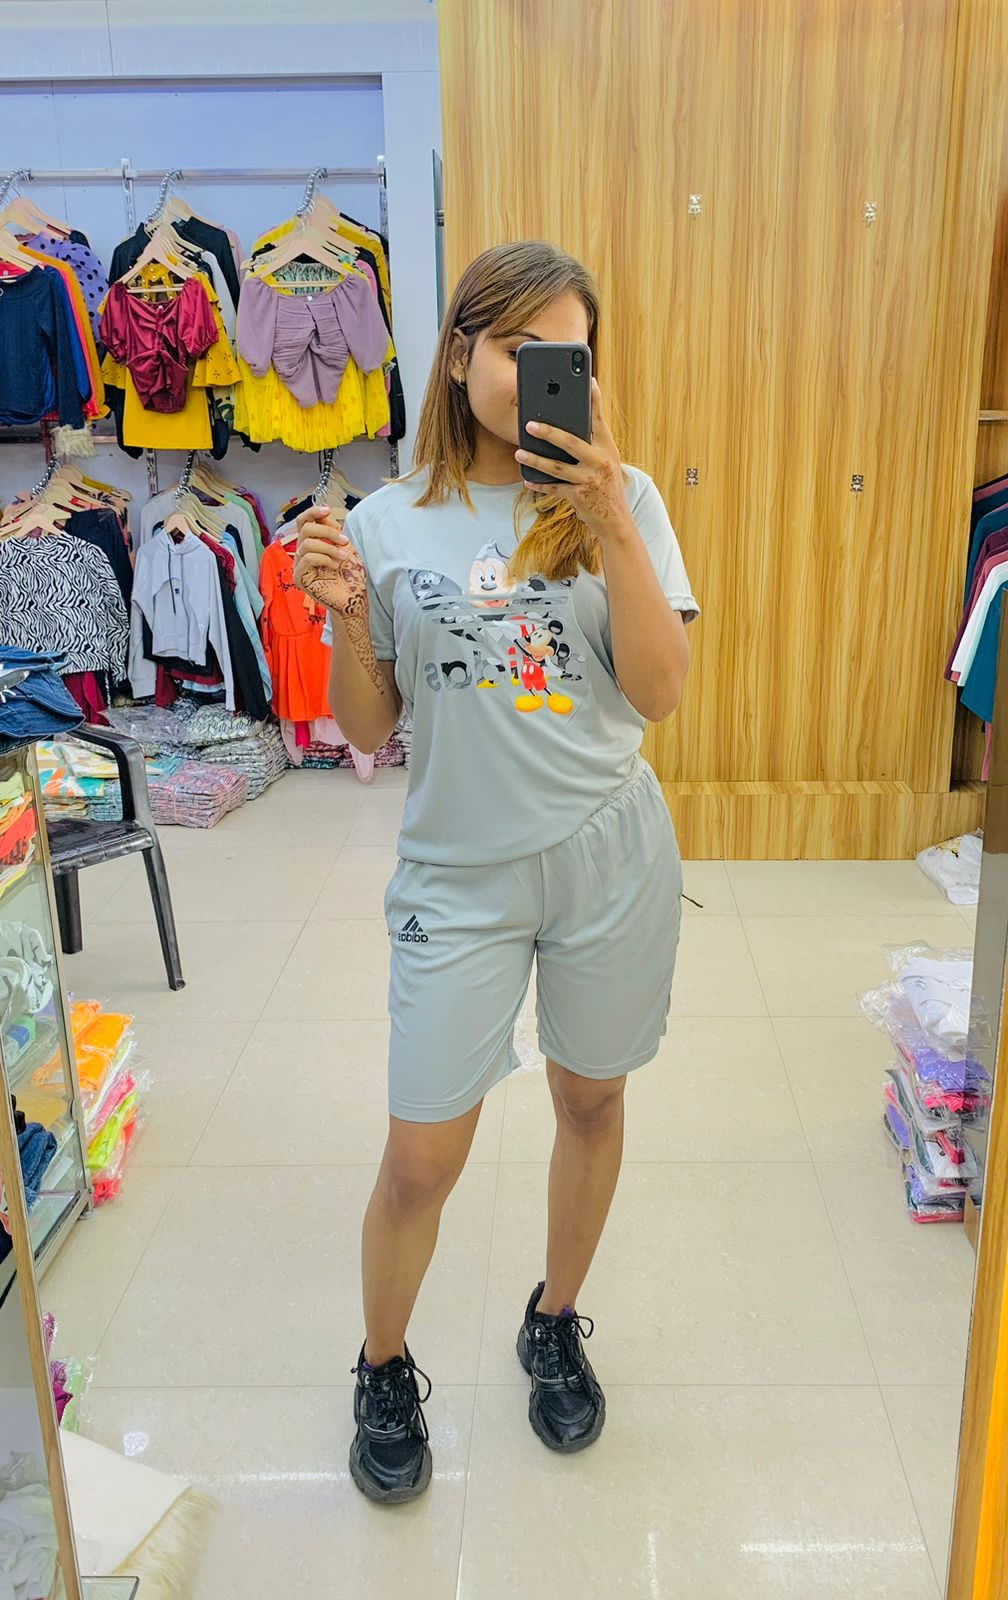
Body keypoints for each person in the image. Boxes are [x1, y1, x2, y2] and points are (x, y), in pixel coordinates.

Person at [294, 240, 699, 1505]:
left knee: (592, 1100)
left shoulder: (625, 500)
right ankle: (382, 1362)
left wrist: (611, 517)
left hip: (608, 855)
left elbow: (661, 692)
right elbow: (369, 729)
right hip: (457, 873)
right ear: (462, 349)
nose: (539, 373)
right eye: (520, 347)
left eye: (565, 353)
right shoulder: (384, 521)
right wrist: (346, 613)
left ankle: (555, 1318)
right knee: (421, 1156)